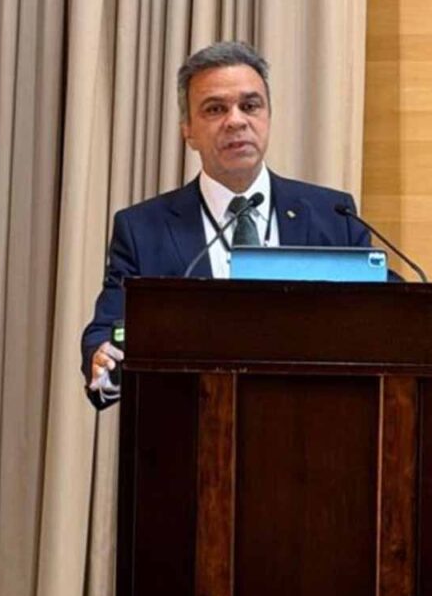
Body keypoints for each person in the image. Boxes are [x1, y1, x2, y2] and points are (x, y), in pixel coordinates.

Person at [81, 41, 371, 409]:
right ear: (188, 130)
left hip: (316, 423)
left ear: (268, 117)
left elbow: (384, 313)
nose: (236, 121)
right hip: (192, 426)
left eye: (250, 106)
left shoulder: (333, 215)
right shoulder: (143, 229)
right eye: (215, 109)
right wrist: (103, 359)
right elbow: (108, 329)